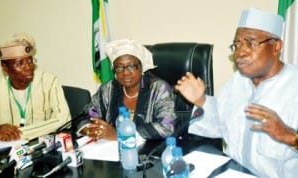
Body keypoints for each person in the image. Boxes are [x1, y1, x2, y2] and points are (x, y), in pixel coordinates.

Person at [175, 8, 298, 178]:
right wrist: (201, 100)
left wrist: (291, 137)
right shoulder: (237, 81)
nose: (240, 52)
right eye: (237, 44)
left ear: (276, 46)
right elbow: (222, 124)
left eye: (251, 43)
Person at [76, 39, 176, 141]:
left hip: (147, 152)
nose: (125, 73)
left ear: (142, 67)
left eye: (131, 66)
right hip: (109, 151)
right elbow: (85, 117)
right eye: (119, 68)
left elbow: (166, 126)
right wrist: (90, 129)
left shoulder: (158, 88)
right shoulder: (108, 88)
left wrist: (120, 135)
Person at [0, 32, 70, 141]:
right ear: (5, 68)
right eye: (19, 64)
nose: (28, 67)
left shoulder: (49, 81)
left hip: (41, 148)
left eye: (30, 61)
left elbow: (64, 119)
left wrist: (20, 133)